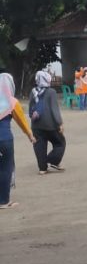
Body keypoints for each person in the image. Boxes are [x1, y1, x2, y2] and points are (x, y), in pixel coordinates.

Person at [1, 73, 36, 209]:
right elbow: (22, 121)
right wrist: (30, 135)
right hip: (4, 140)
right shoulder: (12, 101)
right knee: (5, 169)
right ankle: (3, 201)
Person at [30, 71, 66, 175]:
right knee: (60, 143)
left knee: (39, 146)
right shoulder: (51, 92)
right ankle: (52, 161)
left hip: (36, 124)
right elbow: (54, 109)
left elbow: (31, 109)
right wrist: (60, 123)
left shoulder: (32, 91)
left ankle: (42, 169)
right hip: (50, 125)